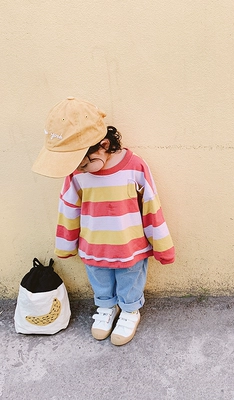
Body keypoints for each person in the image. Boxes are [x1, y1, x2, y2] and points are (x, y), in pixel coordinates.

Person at [32, 97, 175, 345]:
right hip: (93, 246)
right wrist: (66, 245)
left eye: (84, 164)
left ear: (104, 145)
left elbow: (151, 205)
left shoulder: (135, 167)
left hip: (130, 246)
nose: (80, 170)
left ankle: (130, 310)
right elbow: (68, 209)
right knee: (99, 278)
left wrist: (162, 245)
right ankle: (107, 307)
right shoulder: (76, 174)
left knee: (130, 278)